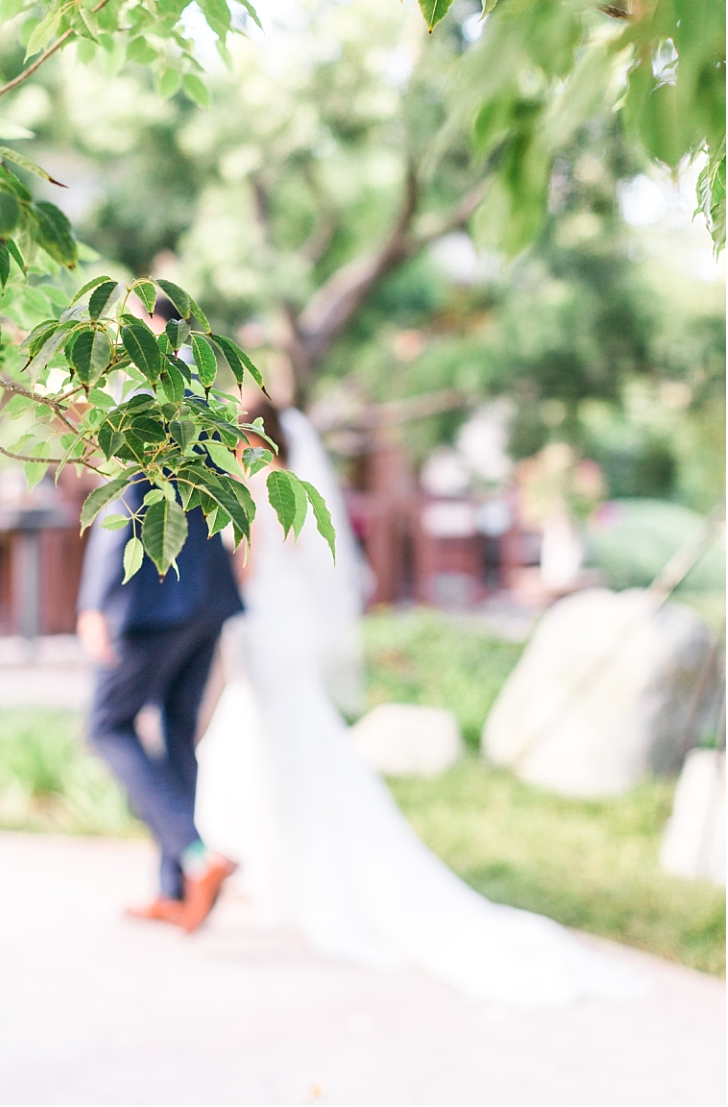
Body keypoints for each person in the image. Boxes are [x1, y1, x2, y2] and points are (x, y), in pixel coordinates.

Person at [195, 402, 647, 1008]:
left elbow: (247, 571)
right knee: (283, 742)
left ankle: (278, 872)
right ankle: (273, 870)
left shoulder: (250, 487)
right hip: (294, 627)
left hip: (267, 630)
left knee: (277, 744)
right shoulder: (295, 485)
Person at [77, 471, 243, 932]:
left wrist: (95, 604)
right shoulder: (204, 409)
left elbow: (122, 500)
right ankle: (176, 890)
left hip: (153, 598)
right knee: (178, 731)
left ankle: (195, 857)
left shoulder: (144, 400)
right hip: (208, 596)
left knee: (106, 727)